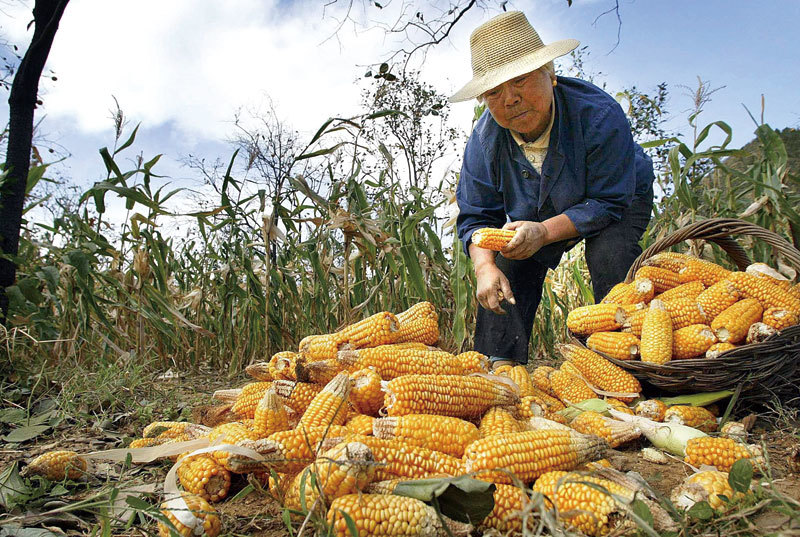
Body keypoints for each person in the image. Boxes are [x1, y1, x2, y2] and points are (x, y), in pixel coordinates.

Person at [451, 11, 655, 369]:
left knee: (611, 250)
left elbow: (608, 201)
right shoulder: (484, 142)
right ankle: (501, 362)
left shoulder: (599, 115)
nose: (510, 99)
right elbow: (478, 217)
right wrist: (484, 267)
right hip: (538, 204)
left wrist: (545, 231)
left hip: (616, 193)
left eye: (520, 81)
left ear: (551, 74)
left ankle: (628, 359)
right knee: (510, 256)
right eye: (494, 92)